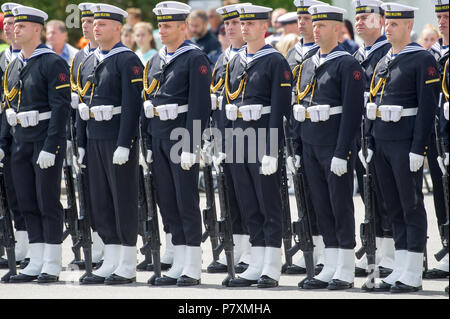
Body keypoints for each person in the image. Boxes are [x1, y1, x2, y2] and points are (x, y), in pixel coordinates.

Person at [365, 2, 440, 293]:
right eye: (387, 23)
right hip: (382, 141)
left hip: (404, 142)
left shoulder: (422, 59)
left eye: (394, 24)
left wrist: (418, 149)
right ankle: (400, 264)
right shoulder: (385, 58)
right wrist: (370, 140)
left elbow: (426, 109)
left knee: (411, 206)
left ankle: (413, 269)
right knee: (391, 205)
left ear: (409, 26)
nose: (388, 28)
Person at [221, 3, 292, 289]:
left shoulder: (274, 60)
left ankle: (271, 266)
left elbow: (280, 108)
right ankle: (255, 262)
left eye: (251, 24)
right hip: (238, 139)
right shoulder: (236, 60)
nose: (245, 28)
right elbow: (230, 104)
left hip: (262, 137)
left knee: (268, 203)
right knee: (248, 203)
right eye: (243, 24)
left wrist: (273, 148)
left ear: (265, 27)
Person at [294, 4, 364, 290]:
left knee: (340, 204)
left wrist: (342, 151)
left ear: (337, 29)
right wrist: (298, 147)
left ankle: (345, 267)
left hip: (333, 143)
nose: (316, 29)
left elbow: (351, 112)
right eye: (315, 25)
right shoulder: (309, 61)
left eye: (322, 25)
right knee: (320, 205)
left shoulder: (347, 63)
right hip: (310, 141)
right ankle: (330, 264)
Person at [0, 5, 70, 283]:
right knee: (26, 201)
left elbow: (61, 109)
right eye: (14, 25)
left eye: (22, 25)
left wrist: (51, 147)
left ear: (38, 30)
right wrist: (3, 143)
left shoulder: (52, 62)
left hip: (43, 140)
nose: (15, 29)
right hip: (20, 142)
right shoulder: (15, 65)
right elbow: (8, 108)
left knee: (47, 201)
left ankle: (51, 262)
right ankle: (36, 260)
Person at [143, 1, 211, 287]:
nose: (162, 30)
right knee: (167, 202)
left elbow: (199, 106)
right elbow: (147, 102)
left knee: (186, 201)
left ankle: (192, 265)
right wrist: (146, 141)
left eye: (168, 25)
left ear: (183, 26)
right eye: (160, 25)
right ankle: (178, 261)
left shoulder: (195, 58)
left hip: (180, 138)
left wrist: (192, 145)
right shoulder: (156, 59)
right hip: (158, 136)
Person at [75, 3, 143, 285]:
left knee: (122, 199)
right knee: (101, 200)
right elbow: (82, 100)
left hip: (116, 137)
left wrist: (125, 142)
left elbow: (132, 106)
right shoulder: (89, 59)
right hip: (94, 136)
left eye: (102, 24)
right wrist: (80, 141)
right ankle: (111, 258)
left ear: (118, 28)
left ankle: (127, 261)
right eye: (94, 23)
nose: (95, 27)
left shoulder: (127, 59)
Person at [205, 3, 252, 275]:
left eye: (236, 23)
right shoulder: (223, 58)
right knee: (229, 196)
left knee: (247, 197)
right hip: (223, 137)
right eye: (228, 24)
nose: (231, 28)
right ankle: (233, 247)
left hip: (247, 136)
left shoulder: (248, 58)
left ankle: (249, 252)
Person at [352, 0, 395, 280]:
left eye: (366, 16)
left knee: (387, 195)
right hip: (360, 136)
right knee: (369, 195)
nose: (359, 22)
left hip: (383, 135)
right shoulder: (355, 56)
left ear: (381, 21)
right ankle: (375, 250)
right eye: (357, 17)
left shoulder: (388, 53)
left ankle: (390, 253)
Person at [284, 0, 326, 277]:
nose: (302, 22)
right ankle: (308, 245)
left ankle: (323, 251)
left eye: (307, 18)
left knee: (321, 196)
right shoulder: (291, 54)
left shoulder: (326, 54)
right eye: (299, 17)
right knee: (303, 193)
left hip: (319, 131)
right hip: (296, 131)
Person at [68, 2, 104, 270]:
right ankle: (94, 246)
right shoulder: (80, 57)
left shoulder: (108, 56)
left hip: (105, 132)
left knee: (105, 194)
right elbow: (78, 103)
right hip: (85, 133)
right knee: (88, 195)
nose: (85, 24)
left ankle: (106, 249)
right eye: (83, 20)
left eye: (90, 19)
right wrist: (76, 141)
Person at [0, 2, 29, 271]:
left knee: (26, 192)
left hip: (26, 132)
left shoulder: (32, 57)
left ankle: (28, 246)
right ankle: (16, 243)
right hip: (4, 132)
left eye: (14, 23)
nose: (9, 27)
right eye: (6, 23)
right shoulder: (2, 59)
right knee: (10, 190)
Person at [424, 0, 449, 281]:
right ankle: (446, 245)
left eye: (447, 16)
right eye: (439, 16)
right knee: (441, 193)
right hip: (435, 134)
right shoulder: (430, 54)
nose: (442, 21)